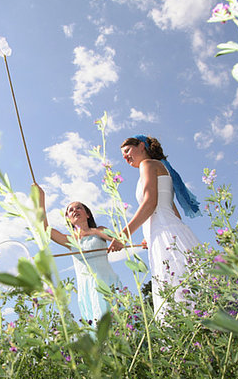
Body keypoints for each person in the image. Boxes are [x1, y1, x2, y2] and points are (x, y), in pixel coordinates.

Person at [108, 135, 200, 319]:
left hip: (166, 234)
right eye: (123, 155)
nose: (125, 157)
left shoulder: (148, 165)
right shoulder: (160, 167)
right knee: (186, 285)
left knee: (176, 289)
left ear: (141, 146)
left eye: (127, 151)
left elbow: (150, 203)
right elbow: (173, 212)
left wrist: (123, 235)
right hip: (171, 233)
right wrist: (149, 236)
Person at [34, 183, 120, 324]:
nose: (74, 210)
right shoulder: (69, 240)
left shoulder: (100, 230)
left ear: (87, 214)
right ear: (68, 218)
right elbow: (44, 229)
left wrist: (92, 231)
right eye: (70, 210)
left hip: (107, 282)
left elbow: (118, 238)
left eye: (78, 207)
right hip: (87, 288)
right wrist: (41, 198)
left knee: (121, 326)